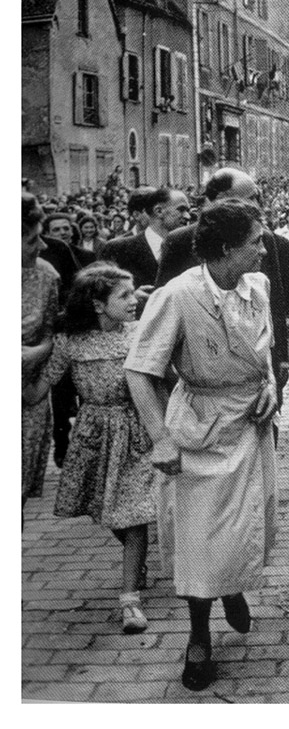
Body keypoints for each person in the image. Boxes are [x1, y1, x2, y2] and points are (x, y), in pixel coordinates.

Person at [125, 199, 279, 691]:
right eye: (255, 241)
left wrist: (272, 385)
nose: (263, 248)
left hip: (251, 424)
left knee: (249, 521)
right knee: (200, 539)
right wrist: (160, 438)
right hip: (201, 427)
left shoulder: (258, 286)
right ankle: (198, 637)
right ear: (227, 248)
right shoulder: (176, 295)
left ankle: (231, 587)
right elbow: (139, 371)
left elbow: (265, 351)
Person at [27, 263, 155, 633]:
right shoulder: (71, 341)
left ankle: (130, 601)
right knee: (110, 512)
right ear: (98, 304)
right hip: (94, 434)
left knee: (134, 516)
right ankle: (136, 562)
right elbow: (39, 390)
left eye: (132, 293)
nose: (134, 301)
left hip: (136, 429)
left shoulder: (140, 332)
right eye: (124, 295)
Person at [156, 169, 289, 416]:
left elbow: (274, 305)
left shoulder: (264, 239)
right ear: (222, 199)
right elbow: (164, 314)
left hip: (255, 376)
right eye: (251, 197)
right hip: (201, 383)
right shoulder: (179, 241)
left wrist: (279, 360)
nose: (258, 204)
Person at [22, 195, 59, 516]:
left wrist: (36, 352)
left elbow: (51, 335)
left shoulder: (46, 276)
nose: (43, 246)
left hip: (28, 400)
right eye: (32, 240)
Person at [100, 186, 191, 314]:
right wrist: (130, 298)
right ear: (159, 211)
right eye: (181, 210)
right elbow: (99, 296)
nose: (187, 216)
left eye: (188, 211)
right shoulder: (117, 249)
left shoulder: (192, 249)